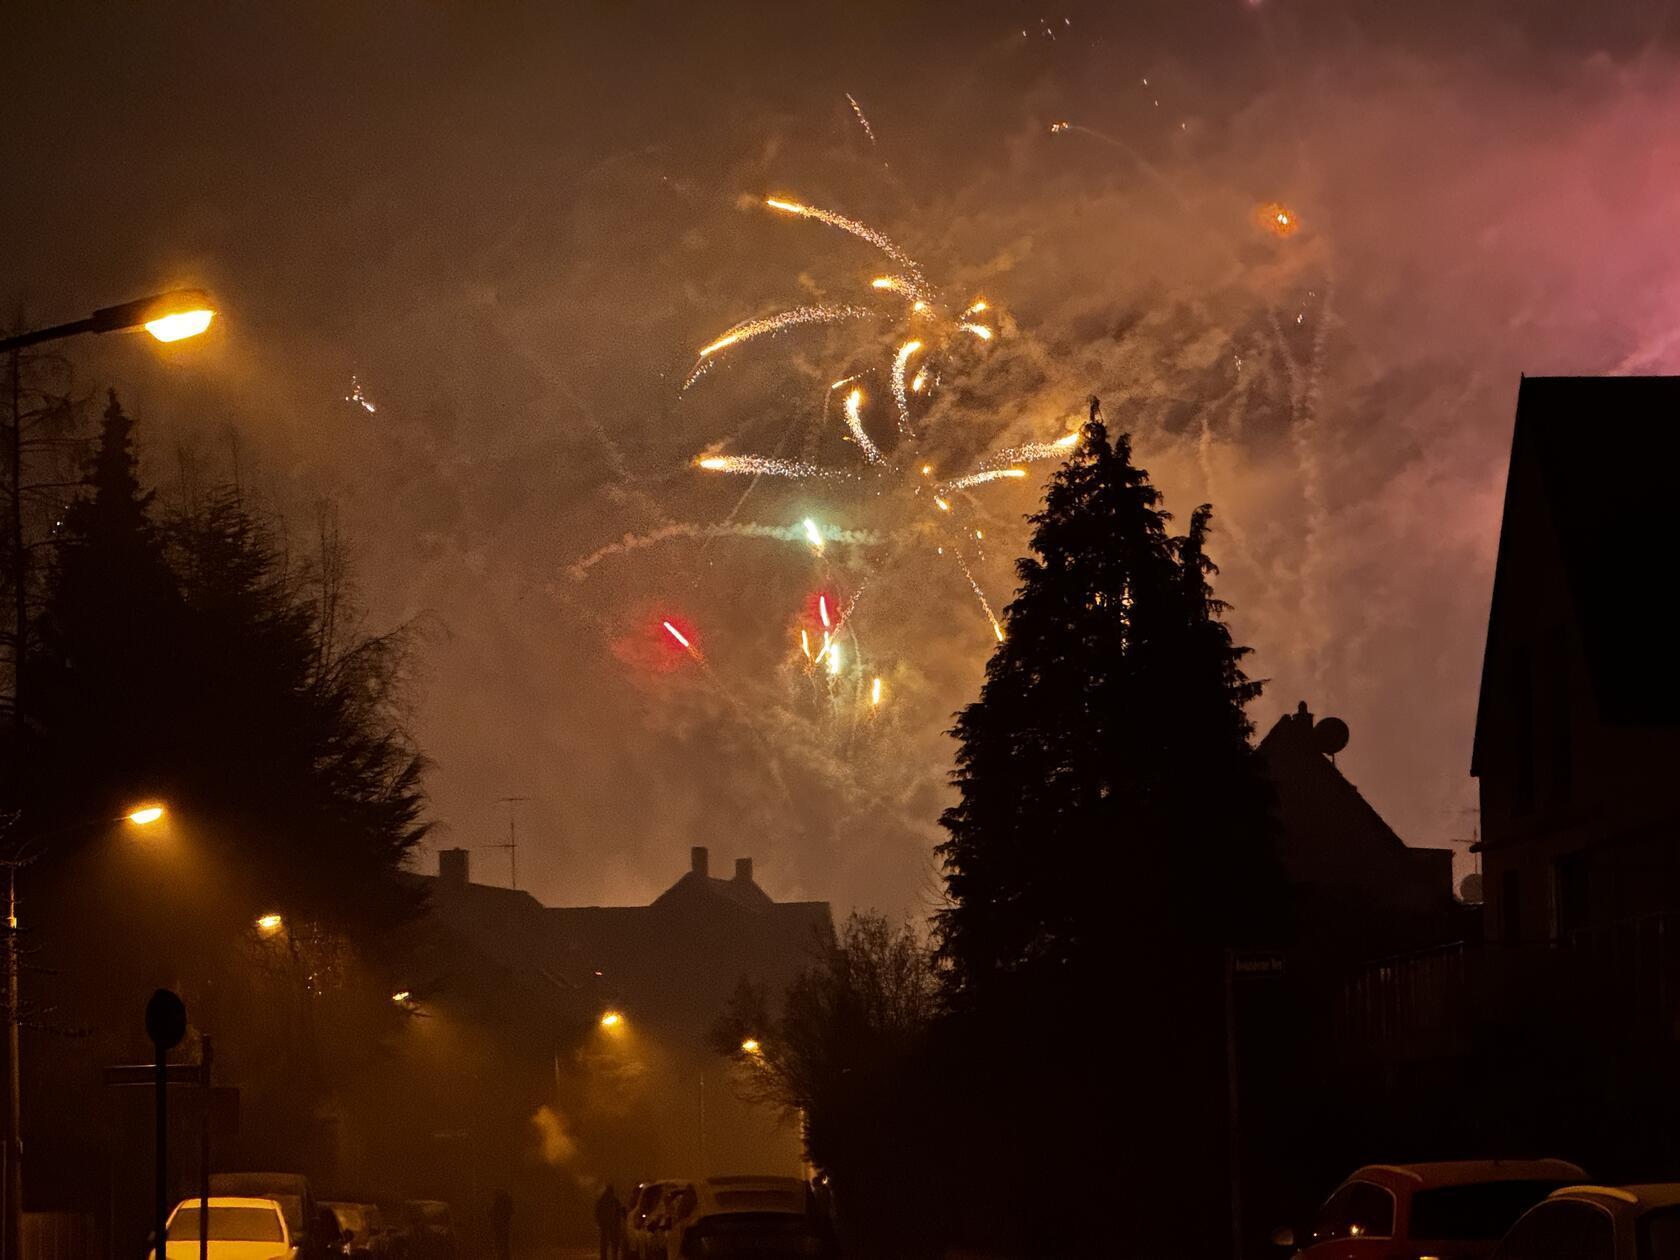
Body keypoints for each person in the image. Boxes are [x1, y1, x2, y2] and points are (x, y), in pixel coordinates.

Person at [595, 1185, 622, 1260]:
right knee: (614, 1242)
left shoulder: (601, 1199)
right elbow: (618, 1213)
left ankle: (604, 1257)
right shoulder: (615, 1200)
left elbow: (597, 1211)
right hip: (612, 1224)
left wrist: (599, 1222)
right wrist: (618, 1223)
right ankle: (614, 1257)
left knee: (604, 1242)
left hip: (604, 1223)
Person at [490, 1190, 512, 1260]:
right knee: (503, 1243)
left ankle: (502, 1256)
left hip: (500, 1226)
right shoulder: (503, 1203)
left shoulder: (500, 1203)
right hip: (501, 1226)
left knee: (501, 1243)